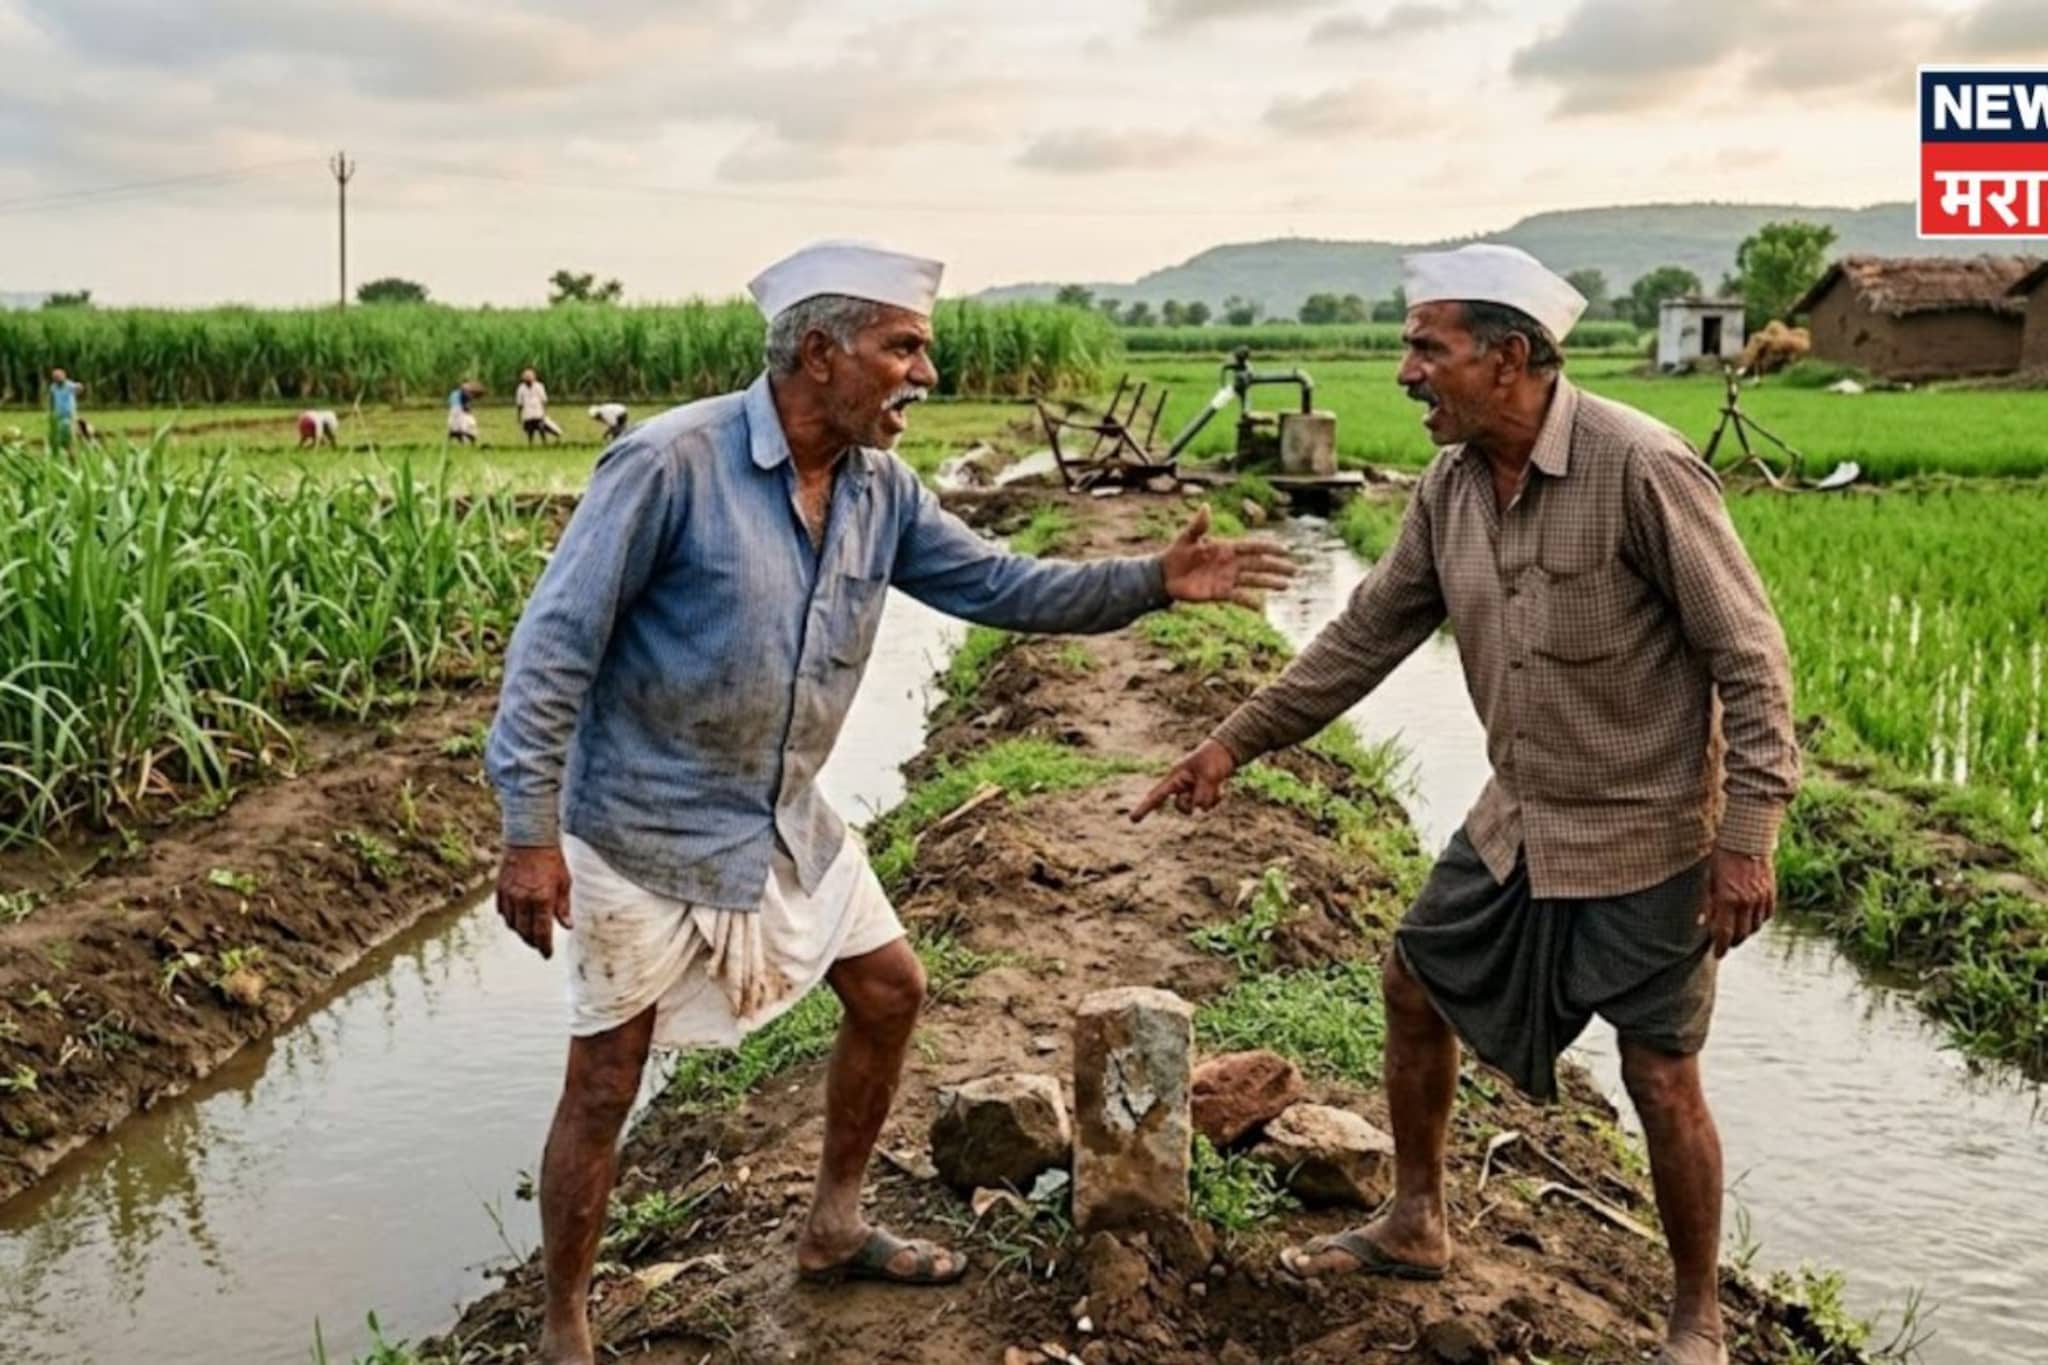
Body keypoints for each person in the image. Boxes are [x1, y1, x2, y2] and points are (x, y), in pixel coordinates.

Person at [485, 240, 1296, 1365]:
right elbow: (550, 655)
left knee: (889, 988)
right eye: (903, 346)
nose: (925, 372)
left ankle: (833, 1223)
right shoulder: (669, 465)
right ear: (820, 353)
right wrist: (528, 836)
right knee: (606, 1074)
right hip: (644, 828)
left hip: (784, 818)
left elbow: (1003, 587)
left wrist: (1149, 583)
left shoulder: (880, 491)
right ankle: (564, 1327)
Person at [1135, 243, 1798, 1365]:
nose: (1403, 371)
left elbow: (1751, 657)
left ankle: (1696, 1318)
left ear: (1505, 360)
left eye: (1423, 348)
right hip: (1521, 816)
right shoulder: (1446, 491)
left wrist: (1746, 840)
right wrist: (1228, 744)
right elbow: (1363, 636)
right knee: (1411, 979)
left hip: (1646, 830)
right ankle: (1416, 1218)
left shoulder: (1638, 467)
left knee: (1656, 1067)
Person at [516, 367, 560, 444]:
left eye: (529, 378)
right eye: (526, 378)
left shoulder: (539, 386)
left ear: (534, 378)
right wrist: (519, 416)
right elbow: (520, 404)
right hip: (528, 414)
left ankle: (544, 442)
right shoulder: (521, 388)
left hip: (538, 413)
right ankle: (530, 443)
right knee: (530, 429)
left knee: (541, 427)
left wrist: (544, 413)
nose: (528, 380)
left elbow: (544, 400)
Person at [47, 367, 86, 452]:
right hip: (59, 416)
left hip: (70, 415)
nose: (57, 379)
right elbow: (52, 399)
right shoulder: (53, 387)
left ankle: (75, 447)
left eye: (58, 377)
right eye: (55, 377)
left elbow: (79, 387)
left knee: (70, 437)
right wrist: (51, 411)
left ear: (63, 376)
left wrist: (79, 387)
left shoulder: (69, 385)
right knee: (59, 437)